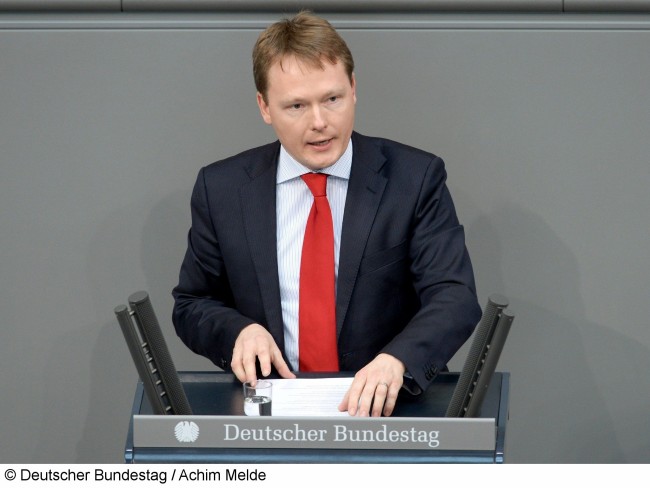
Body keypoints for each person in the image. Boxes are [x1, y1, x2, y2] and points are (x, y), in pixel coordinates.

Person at [172, 11, 481, 417]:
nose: (319, 122)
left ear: (353, 89)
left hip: (386, 414)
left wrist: (398, 360)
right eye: (296, 105)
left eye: (332, 99)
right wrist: (238, 332)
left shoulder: (414, 179)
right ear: (265, 107)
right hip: (269, 415)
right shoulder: (222, 189)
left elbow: (454, 297)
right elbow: (193, 302)